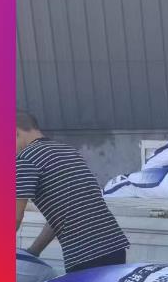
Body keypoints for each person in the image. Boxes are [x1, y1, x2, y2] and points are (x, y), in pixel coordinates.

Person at [16, 110, 129, 273]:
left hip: (85, 254)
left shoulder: (25, 159)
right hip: (114, 247)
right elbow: (64, 213)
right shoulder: (68, 151)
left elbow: (15, 216)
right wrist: (34, 251)